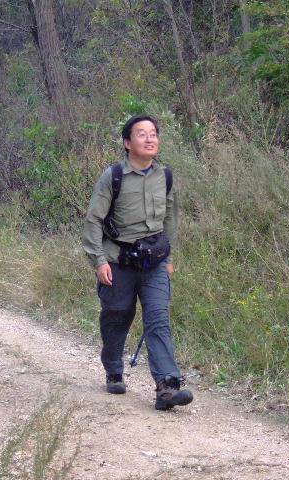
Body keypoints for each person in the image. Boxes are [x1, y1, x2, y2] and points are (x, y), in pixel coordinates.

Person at [82, 115, 193, 410]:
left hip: (154, 262)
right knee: (117, 314)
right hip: (118, 260)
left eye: (153, 133)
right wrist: (99, 260)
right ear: (127, 143)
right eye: (141, 134)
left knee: (158, 318)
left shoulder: (165, 176)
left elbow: (170, 220)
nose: (149, 138)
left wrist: (168, 258)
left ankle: (167, 387)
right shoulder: (114, 176)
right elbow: (93, 220)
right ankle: (113, 368)